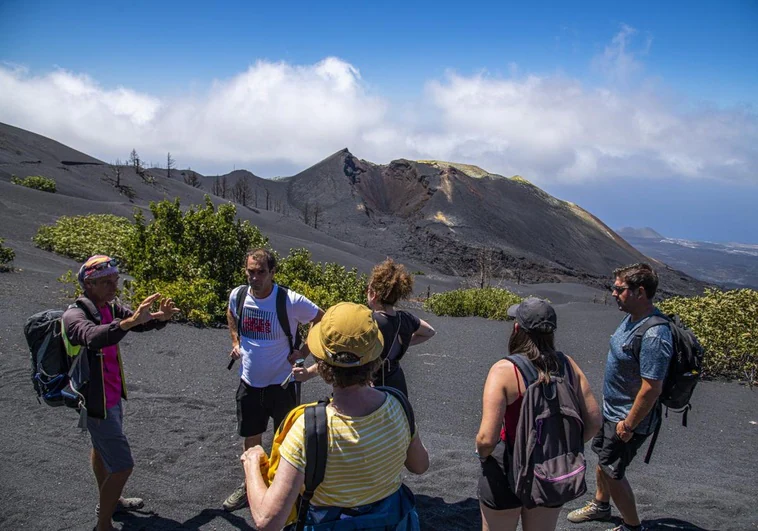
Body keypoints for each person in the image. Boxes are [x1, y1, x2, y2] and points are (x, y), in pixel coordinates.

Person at [240, 302, 430, 531]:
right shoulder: (399, 405)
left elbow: (268, 521)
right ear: (375, 357)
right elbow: (420, 466)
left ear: (321, 364)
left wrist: (252, 462)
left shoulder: (307, 428)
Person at [62, 255, 180, 531]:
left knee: (102, 451)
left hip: (111, 396)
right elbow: (92, 337)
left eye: (115, 281)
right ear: (88, 285)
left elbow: (137, 321)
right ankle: (103, 525)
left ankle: (112, 503)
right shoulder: (75, 315)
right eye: (106, 282)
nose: (113, 287)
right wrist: (128, 322)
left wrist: (159, 318)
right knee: (123, 465)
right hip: (94, 401)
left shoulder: (110, 307)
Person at [476, 297, 601, 531]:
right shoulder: (568, 365)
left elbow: (486, 438)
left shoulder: (504, 370)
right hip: (551, 467)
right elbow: (594, 421)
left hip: (506, 466)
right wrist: (561, 447)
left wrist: (483, 455)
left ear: (517, 329)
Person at [567, 263, 673, 531]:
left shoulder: (654, 335)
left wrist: (628, 425)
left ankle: (632, 526)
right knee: (603, 460)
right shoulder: (631, 317)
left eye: (619, 289)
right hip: (612, 411)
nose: (613, 293)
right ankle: (601, 506)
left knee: (613, 472)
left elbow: (651, 388)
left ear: (640, 291)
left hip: (627, 419)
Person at [223, 248, 324, 512]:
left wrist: (303, 353)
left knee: (287, 440)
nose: (254, 278)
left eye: (261, 272)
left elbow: (320, 318)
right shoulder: (239, 295)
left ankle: (284, 490)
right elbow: (231, 313)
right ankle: (250, 486)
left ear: (272, 272)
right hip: (249, 382)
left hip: (282, 384)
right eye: (250, 272)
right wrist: (235, 340)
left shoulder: (289, 300)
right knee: (251, 438)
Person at [366, 258, 436, 396]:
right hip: (397, 381)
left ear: (373, 294)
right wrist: (404, 342)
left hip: (375, 384)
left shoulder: (370, 321)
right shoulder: (405, 319)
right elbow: (430, 332)